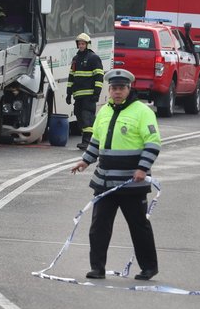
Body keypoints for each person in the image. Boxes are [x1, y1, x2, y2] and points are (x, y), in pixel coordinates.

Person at [70, 69, 161, 281]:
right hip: (104, 182)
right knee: (98, 228)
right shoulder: (104, 112)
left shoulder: (142, 112)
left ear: (129, 89)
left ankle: (149, 267)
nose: (117, 92)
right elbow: (96, 141)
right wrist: (85, 161)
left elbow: (153, 143)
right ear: (109, 90)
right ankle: (97, 268)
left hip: (131, 183)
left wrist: (142, 168)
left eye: (121, 88)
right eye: (114, 88)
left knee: (139, 227)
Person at [66, 32, 104, 150]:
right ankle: (89, 140)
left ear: (88, 45)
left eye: (83, 44)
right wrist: (68, 93)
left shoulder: (93, 58)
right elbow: (71, 77)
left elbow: (99, 76)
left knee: (87, 116)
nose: (81, 46)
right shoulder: (76, 59)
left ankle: (87, 142)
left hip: (89, 95)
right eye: (79, 44)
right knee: (79, 116)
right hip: (78, 95)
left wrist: (96, 93)